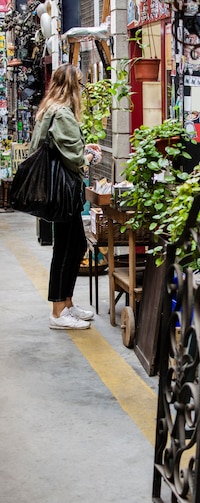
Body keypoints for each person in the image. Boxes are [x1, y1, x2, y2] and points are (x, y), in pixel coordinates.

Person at [29, 63, 102, 330]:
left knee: (74, 246)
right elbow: (73, 156)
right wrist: (90, 156)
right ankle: (59, 312)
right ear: (72, 86)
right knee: (66, 248)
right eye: (80, 83)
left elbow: (59, 147)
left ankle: (67, 304)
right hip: (64, 190)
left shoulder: (49, 109)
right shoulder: (62, 114)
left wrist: (84, 149)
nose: (82, 88)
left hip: (56, 189)